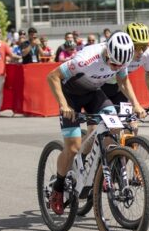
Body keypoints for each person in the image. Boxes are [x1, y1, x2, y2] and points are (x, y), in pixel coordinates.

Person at [46, 32, 143, 214]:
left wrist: (136, 104)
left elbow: (123, 81)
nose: (116, 67)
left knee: (115, 127)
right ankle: (58, 188)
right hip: (71, 96)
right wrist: (64, 105)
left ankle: (108, 170)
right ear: (107, 52)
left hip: (93, 93)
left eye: (120, 65)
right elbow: (52, 76)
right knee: (73, 147)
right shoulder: (85, 59)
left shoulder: (123, 58)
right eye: (113, 63)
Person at [100, 22, 149, 115]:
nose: (141, 51)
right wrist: (136, 104)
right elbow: (122, 80)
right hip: (101, 87)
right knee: (104, 122)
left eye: (144, 46)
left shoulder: (147, 54)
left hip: (119, 88)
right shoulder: (116, 51)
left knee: (131, 125)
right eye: (136, 46)